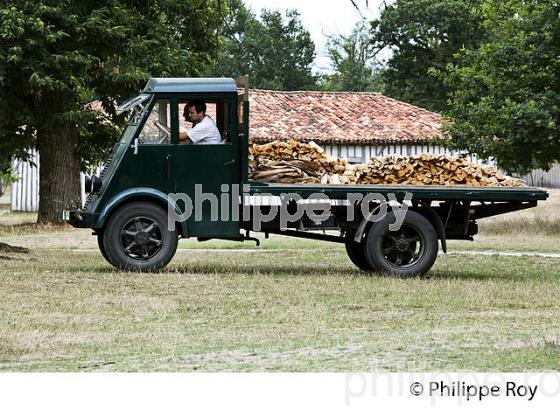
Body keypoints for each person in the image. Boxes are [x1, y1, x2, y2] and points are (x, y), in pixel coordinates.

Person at [153, 99, 222, 144]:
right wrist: (162, 125)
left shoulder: (204, 125)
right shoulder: (203, 121)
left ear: (201, 113)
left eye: (192, 113)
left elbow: (179, 137)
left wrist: (162, 126)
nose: (189, 115)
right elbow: (183, 137)